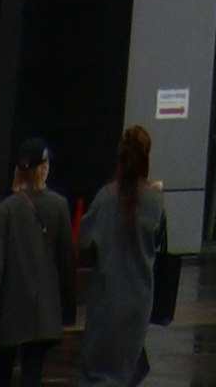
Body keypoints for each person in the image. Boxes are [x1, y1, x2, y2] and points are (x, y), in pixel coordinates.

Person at [77, 124, 167, 386]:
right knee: (127, 369)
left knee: (97, 372)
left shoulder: (105, 198)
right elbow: (158, 238)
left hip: (106, 298)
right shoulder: (154, 200)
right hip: (139, 303)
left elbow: (84, 246)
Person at [0, 137, 75, 387]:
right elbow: (67, 261)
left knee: (0, 375)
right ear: (42, 167)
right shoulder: (59, 206)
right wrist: (68, 311)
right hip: (42, 312)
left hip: (8, 312)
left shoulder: (7, 209)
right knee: (32, 375)